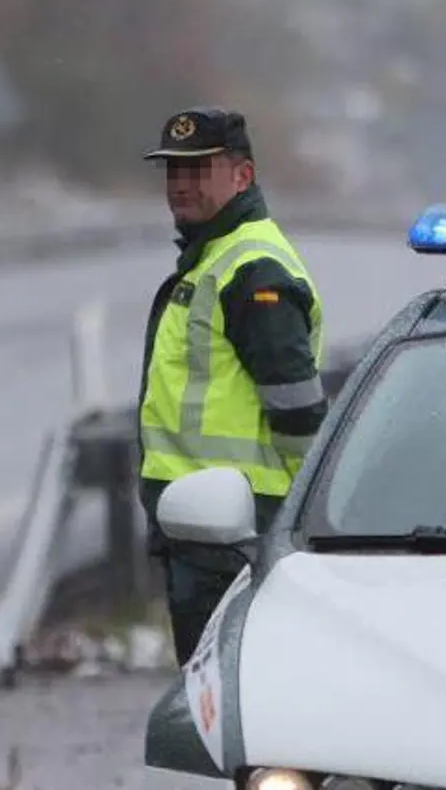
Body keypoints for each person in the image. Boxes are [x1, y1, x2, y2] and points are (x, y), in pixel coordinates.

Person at [136, 105, 327, 664]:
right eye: (174, 170)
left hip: (235, 537)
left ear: (242, 176)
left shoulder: (252, 269)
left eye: (199, 170)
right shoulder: (214, 257)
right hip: (204, 533)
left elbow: (296, 412)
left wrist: (308, 519)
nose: (181, 185)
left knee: (224, 715)